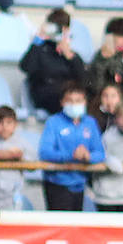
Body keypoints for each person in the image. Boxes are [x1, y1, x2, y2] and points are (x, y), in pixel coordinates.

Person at [38, 82, 104, 211]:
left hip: (80, 183)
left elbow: (100, 153)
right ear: (62, 102)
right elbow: (45, 152)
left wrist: (87, 156)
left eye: (78, 100)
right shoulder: (53, 122)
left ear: (85, 102)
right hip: (57, 183)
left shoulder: (90, 123)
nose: (74, 104)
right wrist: (70, 155)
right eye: (70, 100)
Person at [21, 9, 87, 115]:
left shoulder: (70, 54)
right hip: (46, 94)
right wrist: (38, 41)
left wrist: (69, 56)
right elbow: (26, 67)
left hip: (69, 95)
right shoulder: (40, 49)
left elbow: (83, 78)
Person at [86, 17, 123, 103]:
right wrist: (104, 60)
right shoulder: (99, 58)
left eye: (121, 36)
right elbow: (96, 85)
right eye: (114, 35)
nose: (117, 40)